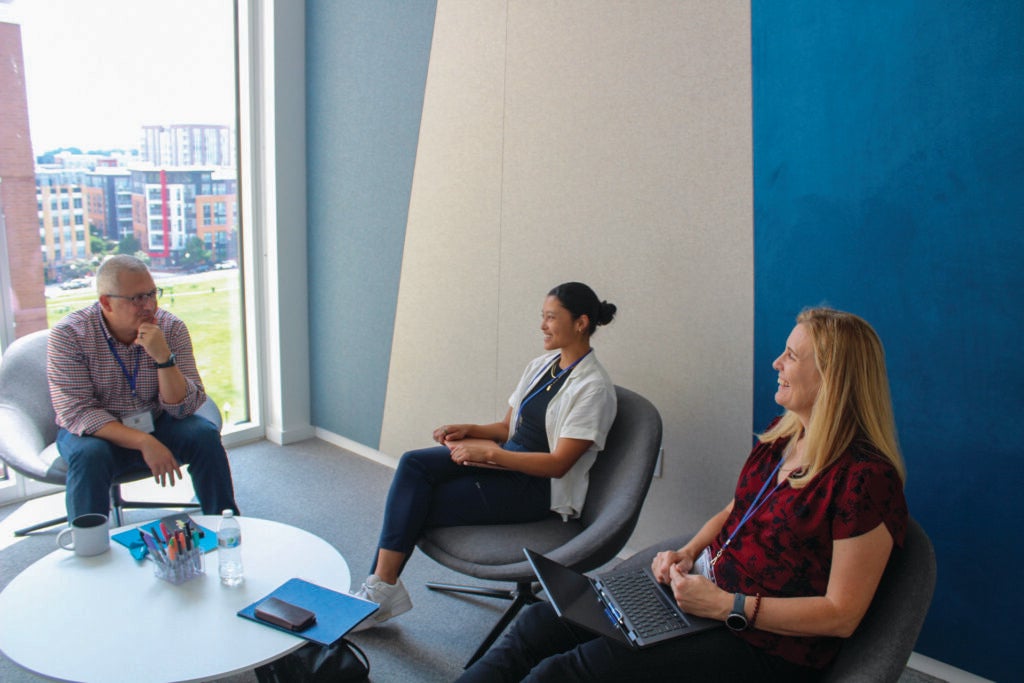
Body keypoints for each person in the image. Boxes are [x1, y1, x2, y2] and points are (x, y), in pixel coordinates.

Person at [458, 307, 909, 682]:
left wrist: (726, 605)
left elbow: (841, 614)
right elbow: (738, 510)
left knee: (568, 673)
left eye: (791, 356)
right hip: (703, 596)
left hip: (762, 646)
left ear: (832, 377)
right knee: (539, 625)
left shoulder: (865, 479)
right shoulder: (782, 437)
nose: (777, 363)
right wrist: (688, 551)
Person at [352, 282, 618, 630]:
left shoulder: (593, 388)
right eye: (543, 316)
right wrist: (470, 430)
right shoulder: (542, 365)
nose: (542, 325)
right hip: (505, 461)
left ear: (581, 323)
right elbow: (509, 429)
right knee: (413, 464)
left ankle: (379, 596)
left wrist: (491, 457)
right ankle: (382, 589)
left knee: (418, 502)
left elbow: (558, 464)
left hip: (535, 489)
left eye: (551, 317)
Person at [47, 254, 238, 521]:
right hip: (96, 432)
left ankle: (226, 523)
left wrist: (163, 358)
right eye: (137, 298)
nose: (149, 305)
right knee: (90, 455)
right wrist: (144, 442)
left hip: (157, 420)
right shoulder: (69, 336)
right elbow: (78, 412)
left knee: (203, 435)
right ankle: (89, 546)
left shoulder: (171, 328)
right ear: (106, 302)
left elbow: (185, 408)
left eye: (152, 293)